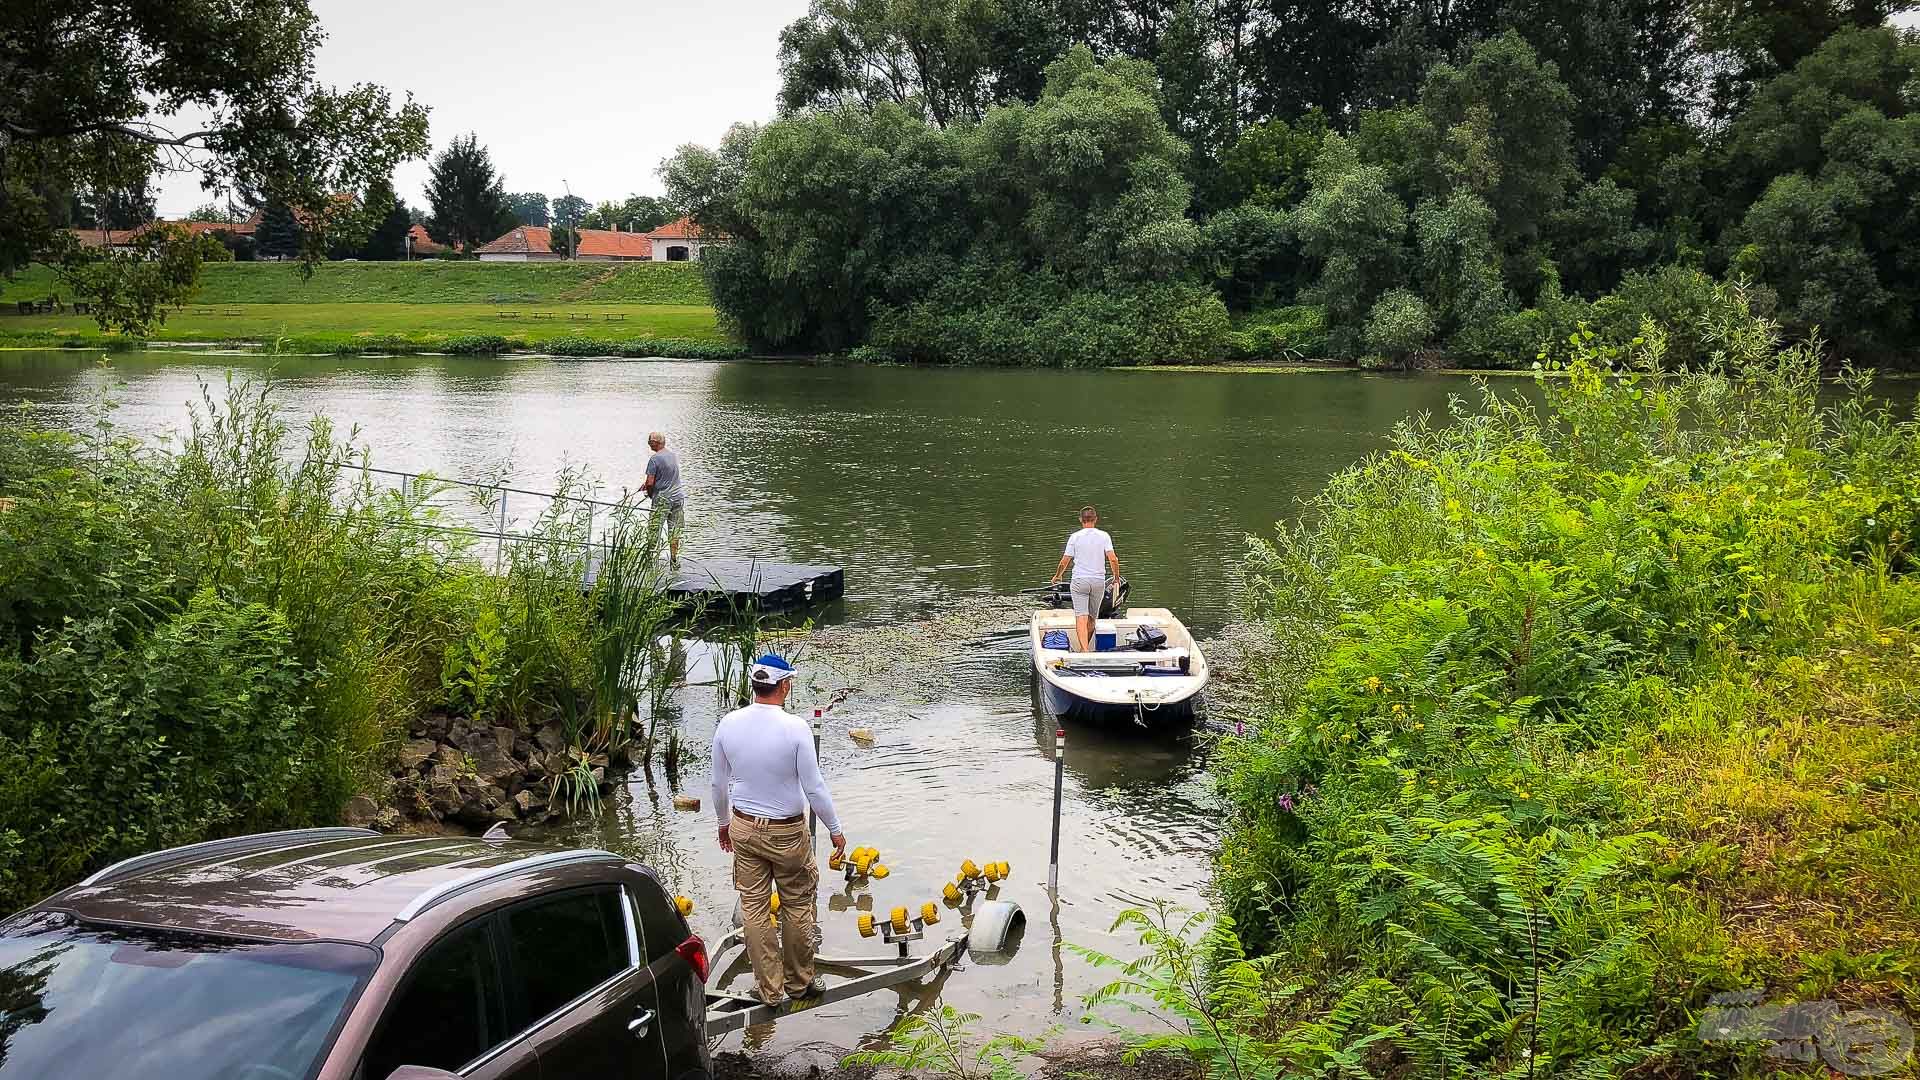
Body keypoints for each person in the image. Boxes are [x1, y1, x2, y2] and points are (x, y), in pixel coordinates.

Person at [711, 654, 847, 1007]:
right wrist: (835, 829)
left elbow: (718, 784)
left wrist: (724, 824)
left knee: (754, 909)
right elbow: (814, 788)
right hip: (787, 833)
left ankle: (769, 990)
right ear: (784, 685)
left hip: (743, 826)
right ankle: (800, 983)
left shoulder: (728, 724)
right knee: (798, 904)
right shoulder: (795, 728)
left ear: (754, 685)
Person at [1049, 505, 1120, 652]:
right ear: (1096, 519)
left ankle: (1084, 650)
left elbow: (1064, 561)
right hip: (1098, 582)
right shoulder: (1104, 536)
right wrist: (1116, 577)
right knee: (1092, 618)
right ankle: (1084, 649)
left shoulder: (1075, 537)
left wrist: (1058, 575)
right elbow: (1113, 559)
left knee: (1081, 616)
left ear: (1081, 520)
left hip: (1079, 581)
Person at [640, 431, 685, 566]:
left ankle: (649, 559)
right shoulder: (672, 455)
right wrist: (651, 483)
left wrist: (650, 493)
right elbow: (668, 475)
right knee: (675, 529)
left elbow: (649, 483)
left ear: (655, 443)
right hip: (678, 497)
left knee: (655, 528)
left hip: (663, 499)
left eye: (649, 442)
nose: (648, 444)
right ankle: (674, 559)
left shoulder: (654, 459)